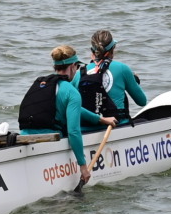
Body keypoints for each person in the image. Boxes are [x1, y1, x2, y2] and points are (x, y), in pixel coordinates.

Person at [17, 45, 116, 186]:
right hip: (50, 143)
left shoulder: (41, 84)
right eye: (77, 67)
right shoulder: (71, 92)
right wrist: (83, 167)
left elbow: (76, 109)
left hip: (24, 138)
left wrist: (101, 119)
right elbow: (73, 132)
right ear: (72, 66)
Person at [80, 30, 148, 126]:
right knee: (145, 121)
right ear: (112, 49)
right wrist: (134, 81)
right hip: (117, 125)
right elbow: (142, 101)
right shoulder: (122, 69)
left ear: (92, 51)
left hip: (88, 128)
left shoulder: (80, 73)